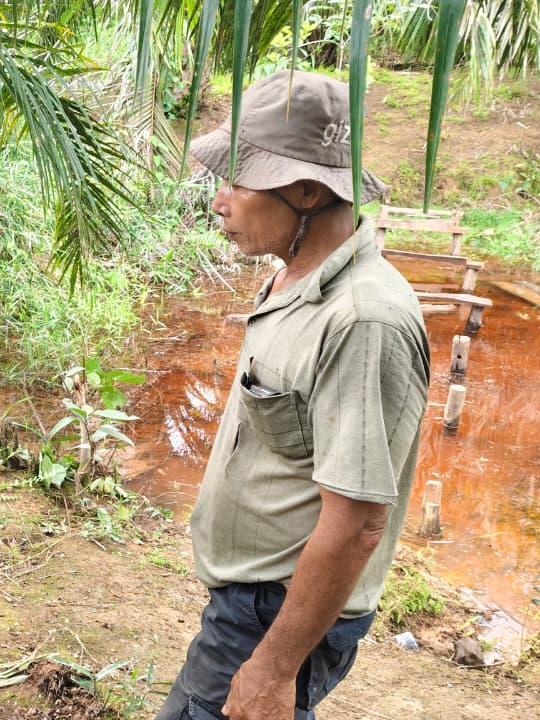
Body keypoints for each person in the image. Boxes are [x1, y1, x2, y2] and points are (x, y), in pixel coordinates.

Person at [156, 70, 431, 720]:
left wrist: (275, 669)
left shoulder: (364, 320)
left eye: (238, 182)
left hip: (275, 613)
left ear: (306, 190)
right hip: (251, 598)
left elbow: (358, 523)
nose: (218, 201)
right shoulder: (293, 274)